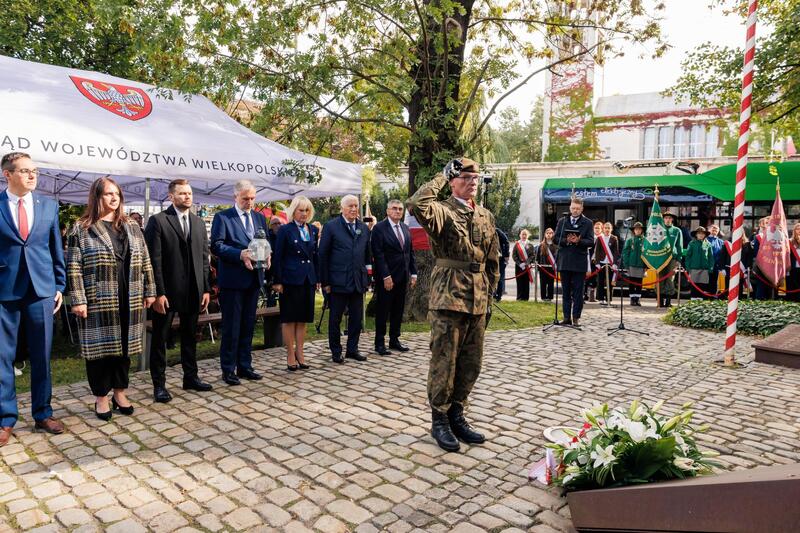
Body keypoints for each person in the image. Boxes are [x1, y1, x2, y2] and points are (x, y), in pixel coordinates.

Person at [407, 157, 499, 452]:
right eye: (465, 178)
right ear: (452, 181)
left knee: (471, 363)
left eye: (475, 179)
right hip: (449, 297)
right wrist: (441, 175)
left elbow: (492, 261)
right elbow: (416, 204)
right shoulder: (442, 211)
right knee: (444, 362)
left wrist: (489, 296)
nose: (472, 183)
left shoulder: (485, 215)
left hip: (478, 299)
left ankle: (457, 415)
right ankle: (440, 420)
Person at [67, 177, 156, 420]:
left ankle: (119, 392)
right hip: (99, 297)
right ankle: (101, 397)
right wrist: (78, 299)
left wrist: (150, 290)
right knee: (99, 351)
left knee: (124, 348)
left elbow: (145, 259)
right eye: (108, 193)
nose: (114, 197)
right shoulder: (82, 227)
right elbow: (73, 267)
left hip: (130, 293)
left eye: (117, 193)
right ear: (97, 197)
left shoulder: (131, 225)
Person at [0, 152, 66, 445]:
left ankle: (43, 413)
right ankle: (5, 419)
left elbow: (55, 248)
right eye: (25, 171)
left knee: (42, 354)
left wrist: (59, 285)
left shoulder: (48, 206)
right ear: (7, 174)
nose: (32, 176)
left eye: (34, 171)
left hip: (41, 290)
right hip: (4, 292)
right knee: (2, 357)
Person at [144, 179, 213, 403]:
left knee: (190, 336)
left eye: (189, 193)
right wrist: (158, 292)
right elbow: (153, 260)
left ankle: (190, 377)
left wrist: (206, 288)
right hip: (167, 291)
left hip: (194, 290)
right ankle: (159, 385)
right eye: (182, 193)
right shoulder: (158, 221)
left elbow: (204, 258)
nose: (187, 196)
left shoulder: (198, 223)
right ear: (171, 196)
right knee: (161, 338)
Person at [210, 180, 268, 385]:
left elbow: (264, 242)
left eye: (252, 198)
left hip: (254, 279)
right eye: (245, 198)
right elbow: (216, 246)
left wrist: (267, 254)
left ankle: (245, 366)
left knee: (248, 325)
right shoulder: (223, 217)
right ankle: (228, 369)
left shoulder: (259, 217)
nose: (249, 202)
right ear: (235, 197)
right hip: (233, 281)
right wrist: (239, 254)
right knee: (232, 327)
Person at [319, 195, 372, 363]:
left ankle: (352, 349)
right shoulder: (331, 227)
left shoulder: (363, 228)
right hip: (337, 281)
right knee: (335, 318)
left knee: (356, 318)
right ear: (342, 208)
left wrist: (368, 278)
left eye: (356, 205)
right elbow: (323, 255)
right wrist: (325, 282)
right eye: (350, 206)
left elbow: (367, 256)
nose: (354, 209)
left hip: (358, 280)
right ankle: (336, 351)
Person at [273, 196, 319, 370]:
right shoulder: (285, 230)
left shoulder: (313, 229)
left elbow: (315, 256)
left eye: (307, 210)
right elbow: (278, 256)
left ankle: (300, 353)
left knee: (303, 319)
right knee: (290, 319)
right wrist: (277, 281)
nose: (304, 213)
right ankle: (290, 354)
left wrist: (318, 278)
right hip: (290, 280)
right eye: (301, 210)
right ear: (293, 211)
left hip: (308, 279)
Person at [371, 199, 417, 355]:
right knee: (383, 311)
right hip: (387, 278)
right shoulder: (379, 228)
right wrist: (385, 276)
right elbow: (378, 254)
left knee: (398, 310)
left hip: (403, 277)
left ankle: (394, 340)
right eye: (394, 208)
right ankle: (379, 343)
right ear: (388, 211)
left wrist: (414, 273)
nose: (398, 211)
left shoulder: (405, 228)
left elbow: (410, 252)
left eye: (400, 209)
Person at [554, 197, 594, 327]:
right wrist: (566, 240)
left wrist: (578, 241)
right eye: (573, 208)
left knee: (578, 292)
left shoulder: (588, 223)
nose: (575, 210)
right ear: (570, 208)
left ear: (582, 209)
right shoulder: (562, 221)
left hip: (579, 263)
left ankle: (576, 317)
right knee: (565, 292)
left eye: (577, 208)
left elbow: (591, 241)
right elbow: (555, 238)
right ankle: (566, 317)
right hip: (565, 261)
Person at [658, 211, 684, 307]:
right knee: (660, 278)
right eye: (666, 218)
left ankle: (668, 302)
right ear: (663, 219)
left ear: (672, 219)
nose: (668, 220)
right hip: (660, 257)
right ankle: (660, 301)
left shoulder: (677, 230)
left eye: (669, 218)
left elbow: (679, 246)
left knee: (670, 279)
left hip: (672, 258)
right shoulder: (658, 229)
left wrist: (679, 259)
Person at [684, 226, 714, 300]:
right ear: (696, 235)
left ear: (705, 235)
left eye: (702, 233)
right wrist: (688, 267)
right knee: (694, 286)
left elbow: (711, 257)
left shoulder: (708, 244)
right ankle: (693, 300)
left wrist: (710, 267)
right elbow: (688, 257)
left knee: (703, 286)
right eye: (699, 233)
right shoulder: (692, 244)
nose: (701, 235)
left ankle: (700, 301)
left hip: (704, 269)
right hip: (694, 268)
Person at [593, 221, 620, 305]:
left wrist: (615, 263)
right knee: (600, 281)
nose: (607, 229)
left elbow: (616, 252)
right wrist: (597, 262)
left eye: (609, 228)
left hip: (610, 263)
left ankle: (609, 299)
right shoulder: (599, 238)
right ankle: (600, 299)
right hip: (601, 263)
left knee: (610, 282)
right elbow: (597, 251)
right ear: (603, 229)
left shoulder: (614, 238)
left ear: (611, 229)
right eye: (605, 228)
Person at [751, 217, 776, 300]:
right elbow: (756, 253)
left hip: (773, 265)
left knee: (771, 287)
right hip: (761, 266)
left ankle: (771, 302)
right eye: (766, 223)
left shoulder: (776, 235)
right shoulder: (758, 237)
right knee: (761, 286)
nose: (767, 224)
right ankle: (759, 303)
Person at [622, 222, 646, 306]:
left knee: (639, 282)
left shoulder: (645, 240)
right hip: (631, 264)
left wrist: (646, 265)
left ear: (642, 230)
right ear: (634, 231)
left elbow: (647, 253)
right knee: (632, 282)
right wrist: (626, 264)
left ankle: (638, 299)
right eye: (636, 229)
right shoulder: (630, 240)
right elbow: (625, 252)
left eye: (639, 229)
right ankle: (632, 299)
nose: (638, 231)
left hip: (641, 264)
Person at [512, 229, 535, 301]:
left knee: (526, 282)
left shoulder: (530, 244)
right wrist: (519, 263)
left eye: (525, 234)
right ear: (520, 235)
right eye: (523, 234)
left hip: (527, 266)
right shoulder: (517, 244)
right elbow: (514, 255)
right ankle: (519, 297)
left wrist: (526, 263)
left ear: (527, 235)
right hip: (519, 266)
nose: (524, 236)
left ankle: (525, 297)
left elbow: (532, 255)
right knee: (519, 281)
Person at [535, 228, 557, 301]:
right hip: (543, 267)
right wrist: (538, 268)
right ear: (545, 234)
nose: (549, 235)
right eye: (547, 233)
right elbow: (537, 257)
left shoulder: (555, 246)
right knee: (543, 283)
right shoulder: (541, 245)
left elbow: (557, 257)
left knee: (551, 283)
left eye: (550, 233)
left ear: (553, 234)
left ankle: (550, 297)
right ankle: (543, 297)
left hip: (551, 267)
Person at [585, 221, 603, 302]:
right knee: (588, 277)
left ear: (601, 229)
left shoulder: (602, 238)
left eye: (598, 228)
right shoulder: (591, 238)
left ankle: (594, 296)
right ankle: (586, 295)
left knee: (596, 279)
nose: (597, 229)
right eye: (595, 228)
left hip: (599, 261)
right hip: (589, 260)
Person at [706, 224, 725, 296]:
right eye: (713, 229)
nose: (714, 231)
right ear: (709, 230)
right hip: (707, 265)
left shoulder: (721, 242)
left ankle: (713, 295)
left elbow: (722, 255)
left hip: (716, 265)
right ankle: (705, 296)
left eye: (716, 230)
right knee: (706, 281)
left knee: (714, 281)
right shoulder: (705, 240)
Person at [493, 228, 510, 301]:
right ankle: (493, 294)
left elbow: (506, 242)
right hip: (491, 258)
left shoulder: (497, 231)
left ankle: (498, 295)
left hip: (500, 258)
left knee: (500, 278)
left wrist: (506, 255)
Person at [787, 223, 800, 302]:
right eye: (797, 229)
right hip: (794, 268)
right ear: (794, 231)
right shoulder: (790, 241)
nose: (799, 231)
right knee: (794, 286)